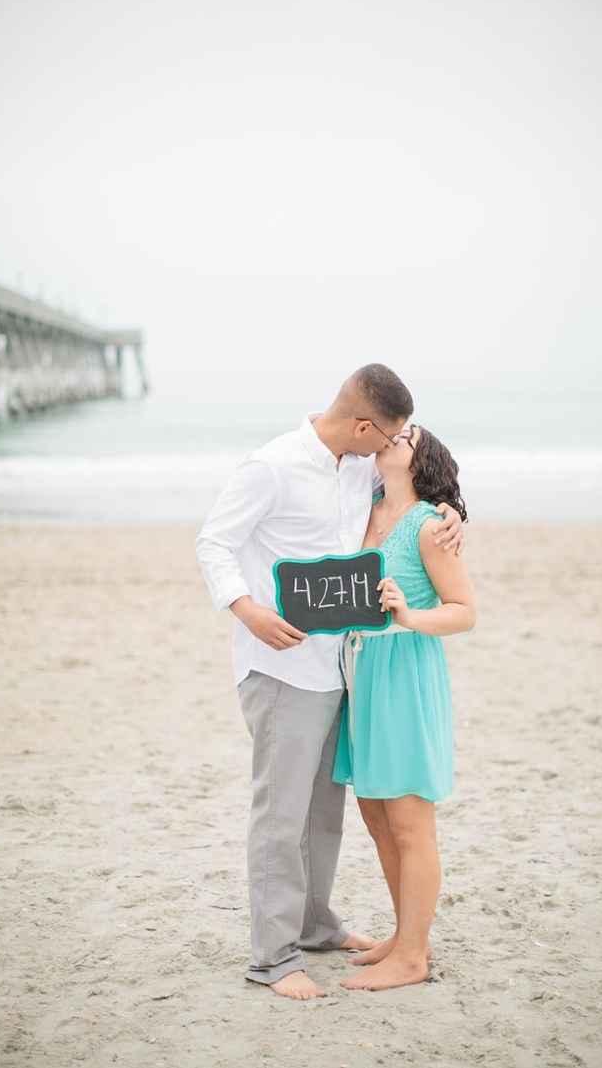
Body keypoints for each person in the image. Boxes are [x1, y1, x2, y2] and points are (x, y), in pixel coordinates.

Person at [195, 364, 465, 1001]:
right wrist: (248, 610)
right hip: (282, 667)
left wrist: (453, 513)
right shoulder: (273, 466)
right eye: (389, 435)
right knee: (280, 814)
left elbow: (416, 497)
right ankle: (273, 958)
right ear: (365, 425)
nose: (392, 447)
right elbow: (213, 543)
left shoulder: (364, 466)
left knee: (323, 813)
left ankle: (315, 925)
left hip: (344, 669)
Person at [332, 422, 476, 992]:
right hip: (360, 675)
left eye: (409, 434)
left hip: (404, 674)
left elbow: (464, 609)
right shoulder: (361, 507)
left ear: (422, 461)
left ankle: (413, 956)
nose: (396, 434)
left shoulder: (428, 525)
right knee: (376, 817)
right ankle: (404, 935)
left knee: (411, 823)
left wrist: (409, 616)